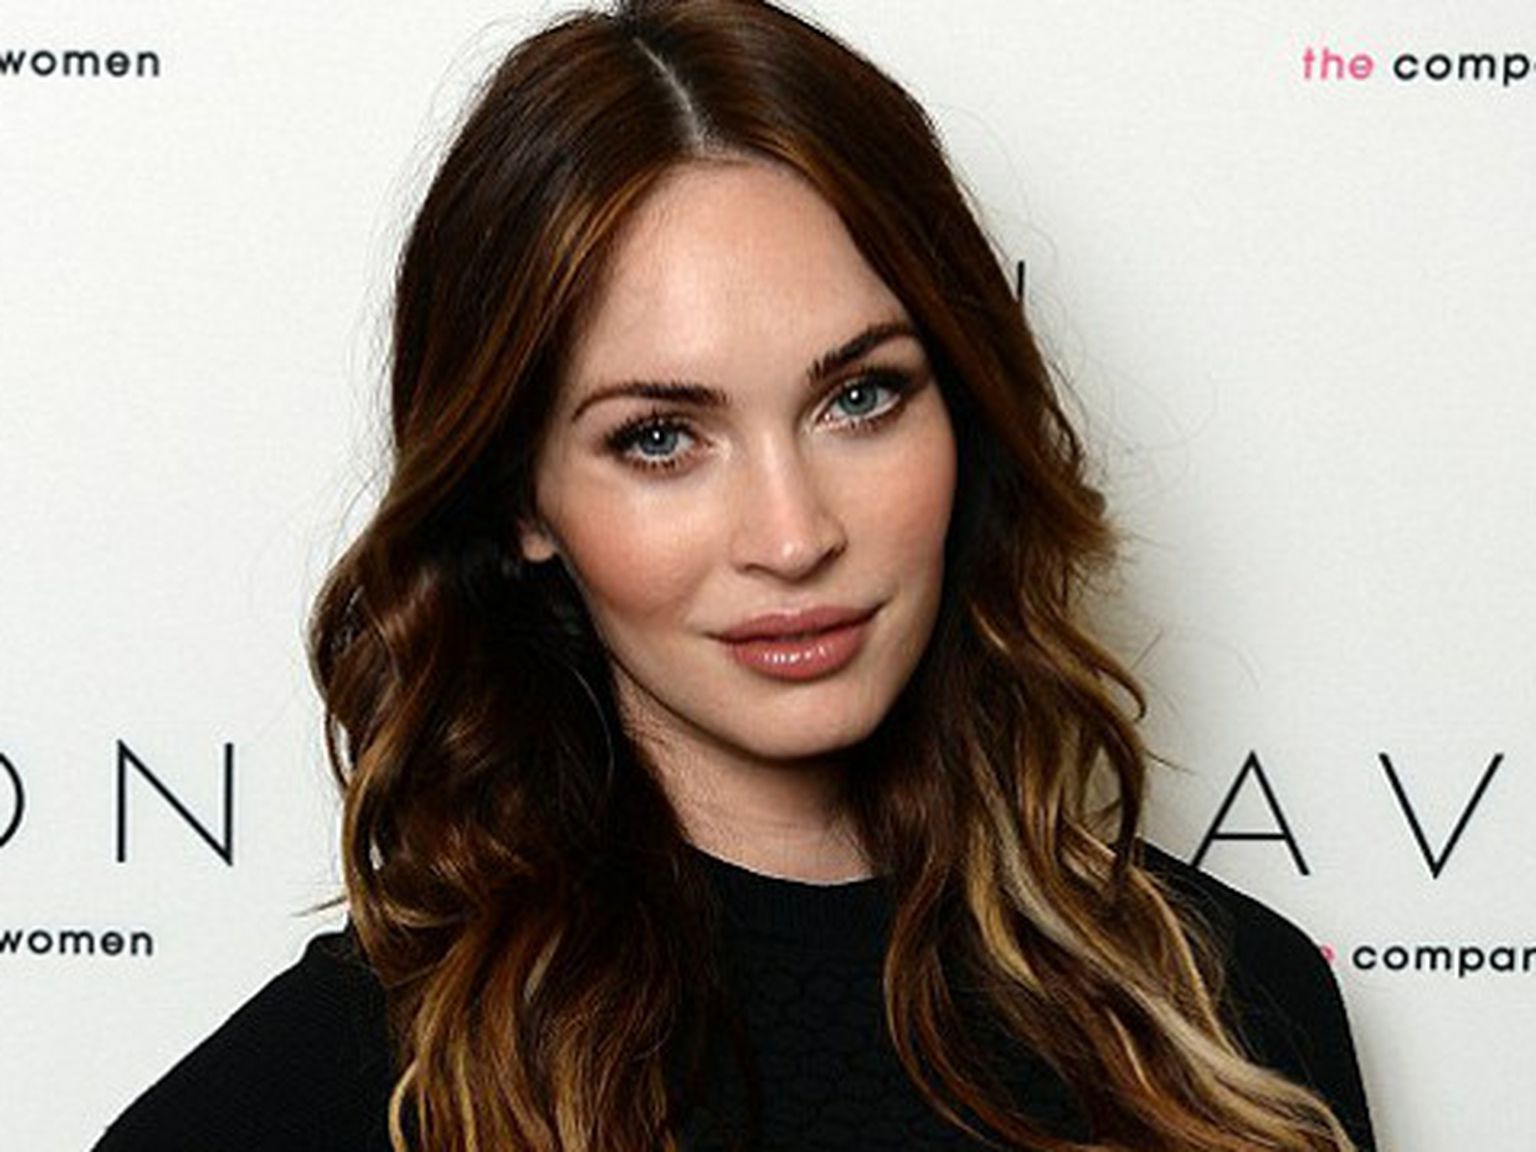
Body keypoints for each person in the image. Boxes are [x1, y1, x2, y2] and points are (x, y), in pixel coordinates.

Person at [96, 1, 1375, 1150]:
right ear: (519, 496)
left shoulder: (1230, 1017)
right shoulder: (350, 1089)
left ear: (963, 406)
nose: (792, 532)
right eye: (660, 437)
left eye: (861, 397)